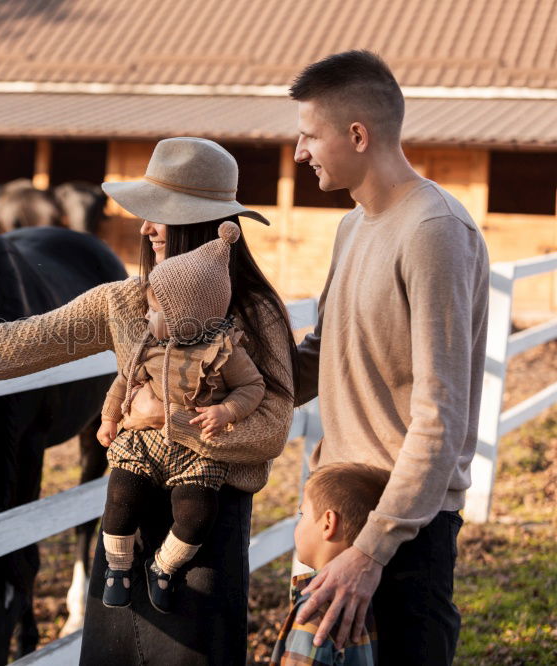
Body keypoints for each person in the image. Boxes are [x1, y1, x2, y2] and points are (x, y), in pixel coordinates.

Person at [0, 136, 297, 664]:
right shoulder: (125, 301)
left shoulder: (257, 314)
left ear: (201, 224)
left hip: (204, 529)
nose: (145, 227)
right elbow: (16, 342)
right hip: (127, 518)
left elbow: (272, 429)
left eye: (159, 214)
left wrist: (165, 419)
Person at [290, 50, 489, 664]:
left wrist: (371, 552)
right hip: (340, 522)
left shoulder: (434, 230)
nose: (300, 152)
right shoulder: (353, 226)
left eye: (309, 135)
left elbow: (439, 414)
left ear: (356, 134)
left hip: (403, 536)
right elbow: (318, 358)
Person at [97, 221, 266, 613]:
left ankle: (165, 566)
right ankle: (118, 567)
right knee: (119, 498)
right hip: (144, 445)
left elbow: (253, 389)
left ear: (188, 316)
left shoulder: (226, 351)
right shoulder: (149, 344)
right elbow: (123, 383)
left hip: (196, 455)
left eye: (156, 310)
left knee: (196, 513)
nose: (147, 316)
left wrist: (227, 410)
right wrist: (109, 419)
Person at [270, 462, 389, 665]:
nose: (298, 523)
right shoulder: (365, 599)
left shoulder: (315, 610)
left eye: (302, 514)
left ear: (328, 523)